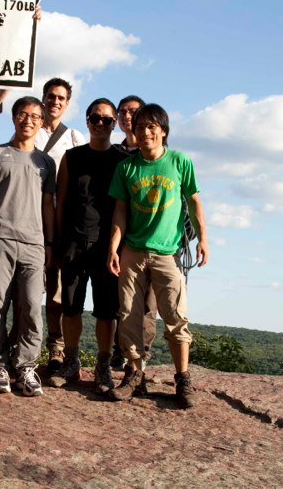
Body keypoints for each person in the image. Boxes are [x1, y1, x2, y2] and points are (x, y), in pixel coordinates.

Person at [107, 103, 209, 408]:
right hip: (133, 251)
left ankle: (183, 379)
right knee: (128, 315)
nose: (145, 133)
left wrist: (203, 239)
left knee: (175, 317)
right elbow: (120, 211)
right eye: (140, 127)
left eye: (151, 127)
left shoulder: (179, 161)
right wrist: (113, 247)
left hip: (168, 253)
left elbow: (194, 201)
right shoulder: (126, 168)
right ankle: (134, 375)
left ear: (163, 131)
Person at [0, 96, 56, 397]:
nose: (28, 120)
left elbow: (47, 205)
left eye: (35, 116)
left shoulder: (45, 162)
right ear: (14, 117)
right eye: (23, 114)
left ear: (42, 122)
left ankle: (25, 367)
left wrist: (49, 243)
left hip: (34, 242)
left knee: (31, 306)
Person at [53, 98, 127, 392]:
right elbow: (60, 202)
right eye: (95, 118)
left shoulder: (122, 160)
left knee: (106, 312)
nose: (100, 124)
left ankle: (103, 366)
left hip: (107, 247)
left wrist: (117, 248)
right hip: (73, 242)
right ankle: (71, 362)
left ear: (114, 124)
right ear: (87, 121)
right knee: (70, 307)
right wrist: (58, 241)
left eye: (107, 120)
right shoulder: (72, 157)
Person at [34, 78, 86, 382]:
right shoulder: (29, 128)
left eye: (61, 98)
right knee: (26, 289)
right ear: (43, 98)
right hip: (29, 217)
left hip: (61, 220)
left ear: (67, 103)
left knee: (56, 291)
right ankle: (20, 346)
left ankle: (56, 348)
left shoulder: (74, 137)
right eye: (51, 96)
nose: (55, 102)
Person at [111, 94, 158, 371]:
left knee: (148, 303)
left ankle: (142, 355)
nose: (128, 116)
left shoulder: (158, 153)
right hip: (120, 238)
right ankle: (120, 351)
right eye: (123, 112)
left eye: (133, 112)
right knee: (121, 300)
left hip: (153, 240)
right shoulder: (114, 155)